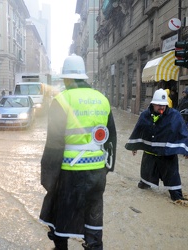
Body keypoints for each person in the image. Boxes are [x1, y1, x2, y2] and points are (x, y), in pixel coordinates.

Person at [39, 54, 117, 250]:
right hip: (97, 172)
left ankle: (60, 247)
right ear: (84, 77)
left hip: (69, 172)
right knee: (94, 212)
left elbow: (54, 144)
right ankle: (94, 245)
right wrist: (107, 168)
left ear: (66, 78)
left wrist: (49, 178)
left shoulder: (62, 100)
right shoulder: (102, 99)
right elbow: (111, 139)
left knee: (60, 212)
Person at [125, 88, 188, 201]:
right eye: (158, 105)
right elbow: (138, 130)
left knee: (176, 194)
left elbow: (183, 132)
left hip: (168, 156)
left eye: (163, 105)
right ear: (152, 104)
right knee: (144, 185)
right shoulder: (145, 115)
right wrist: (135, 147)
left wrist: (187, 150)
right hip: (149, 156)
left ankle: (178, 200)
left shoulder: (174, 116)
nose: (161, 107)